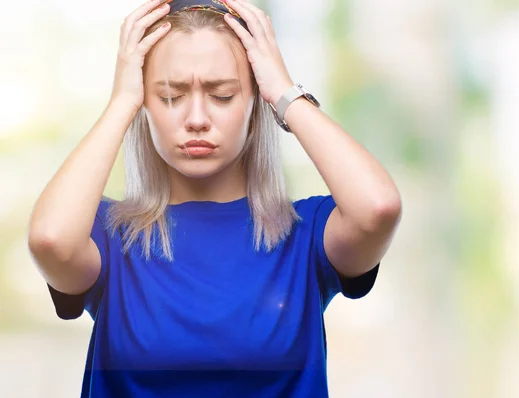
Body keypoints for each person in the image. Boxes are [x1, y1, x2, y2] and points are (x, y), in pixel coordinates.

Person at [27, 0, 402, 396]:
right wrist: (121, 103)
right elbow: (51, 239)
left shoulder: (306, 235)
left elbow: (378, 208)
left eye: (222, 95)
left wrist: (284, 91)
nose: (197, 118)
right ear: (144, 103)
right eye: (170, 95)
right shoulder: (109, 237)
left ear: (255, 101)